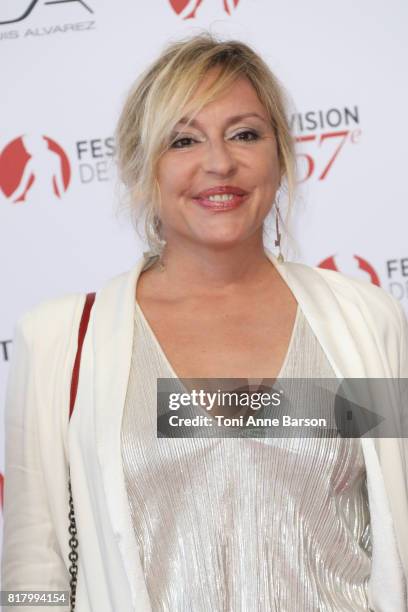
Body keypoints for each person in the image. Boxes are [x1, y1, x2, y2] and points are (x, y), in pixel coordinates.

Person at [2, 33, 408, 612]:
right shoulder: (61, 341)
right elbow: (31, 571)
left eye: (245, 133)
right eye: (184, 139)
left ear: (281, 154)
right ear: (143, 168)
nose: (219, 163)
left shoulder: (365, 322)